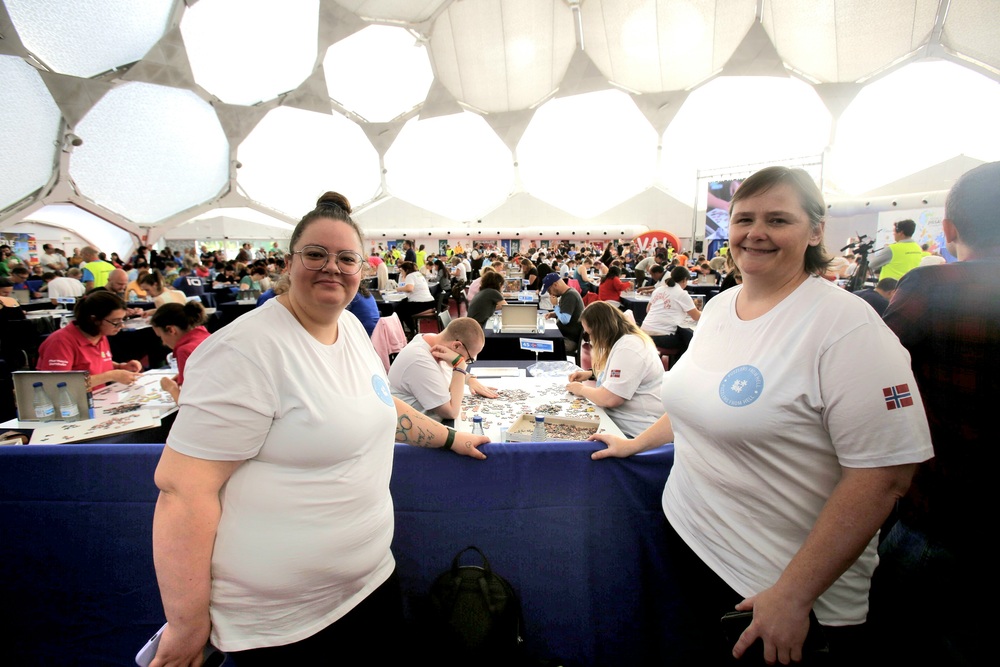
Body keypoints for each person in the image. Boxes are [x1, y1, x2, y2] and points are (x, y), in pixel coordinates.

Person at [590, 166, 933, 665]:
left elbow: (885, 475)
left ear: (815, 230)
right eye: (744, 218)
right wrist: (633, 444)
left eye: (778, 219)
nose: (756, 233)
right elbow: (698, 402)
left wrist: (794, 594)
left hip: (773, 588)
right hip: (691, 541)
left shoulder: (846, 326)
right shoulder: (722, 306)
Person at [150, 192, 488, 666]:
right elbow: (183, 493)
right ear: (289, 263)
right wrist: (187, 625)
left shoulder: (349, 328)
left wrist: (451, 437)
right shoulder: (245, 350)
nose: (332, 267)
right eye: (316, 254)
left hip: (369, 585)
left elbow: (379, 405)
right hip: (283, 624)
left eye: (346, 258)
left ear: (361, 270)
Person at [870, 161, 1000, 665]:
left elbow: (870, 370)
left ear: (947, 231)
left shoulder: (933, 286)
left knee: (907, 647)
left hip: (944, 519)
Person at [565, 302, 663, 438]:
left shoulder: (629, 347)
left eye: (590, 334)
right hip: (624, 422)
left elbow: (610, 398)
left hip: (634, 431)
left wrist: (580, 389)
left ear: (601, 330)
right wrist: (591, 374)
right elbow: (623, 373)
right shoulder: (625, 341)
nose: (590, 340)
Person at [388, 317, 499, 420]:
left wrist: (469, 379)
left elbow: (446, 376)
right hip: (412, 434)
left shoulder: (434, 340)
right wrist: (460, 366)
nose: (466, 363)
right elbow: (451, 413)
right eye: (468, 359)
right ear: (456, 346)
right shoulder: (420, 359)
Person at [36, 291, 143, 386]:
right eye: (115, 321)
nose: (121, 325)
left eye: (123, 320)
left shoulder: (100, 335)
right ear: (94, 320)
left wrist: (120, 367)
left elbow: (95, 364)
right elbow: (58, 383)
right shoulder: (60, 342)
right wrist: (111, 376)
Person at [149, 301, 211, 403]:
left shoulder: (184, 350)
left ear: (171, 330)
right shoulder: (206, 336)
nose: (163, 343)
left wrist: (171, 388)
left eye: (161, 337)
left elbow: (189, 405)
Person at [640, 266, 701, 358]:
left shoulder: (659, 290)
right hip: (661, 337)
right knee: (688, 341)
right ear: (684, 280)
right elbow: (696, 317)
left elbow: (648, 310)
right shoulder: (682, 294)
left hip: (643, 333)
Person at [541, 273, 584, 355]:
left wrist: (555, 306)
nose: (550, 294)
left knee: (542, 347)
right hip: (564, 336)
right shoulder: (568, 294)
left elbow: (565, 319)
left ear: (555, 285)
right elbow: (568, 312)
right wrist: (554, 314)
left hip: (568, 341)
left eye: (549, 290)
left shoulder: (570, 295)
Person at [394, 260, 436, 333]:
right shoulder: (418, 274)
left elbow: (409, 288)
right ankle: (411, 330)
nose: (401, 273)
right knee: (401, 306)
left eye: (402, 271)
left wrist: (398, 289)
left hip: (422, 304)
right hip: (430, 302)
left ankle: (410, 331)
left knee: (399, 310)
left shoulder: (410, 275)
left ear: (406, 270)